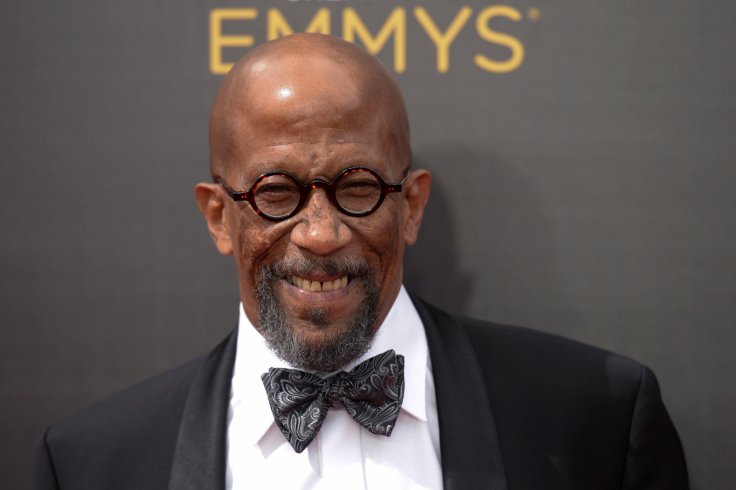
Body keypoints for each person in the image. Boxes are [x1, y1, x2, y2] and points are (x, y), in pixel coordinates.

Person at [32, 33, 688, 490]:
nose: (320, 233)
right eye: (276, 193)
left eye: (357, 188)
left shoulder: (597, 420)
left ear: (410, 205)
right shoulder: (92, 463)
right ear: (219, 217)